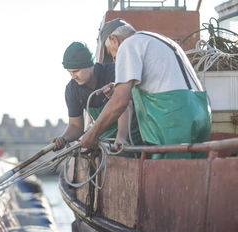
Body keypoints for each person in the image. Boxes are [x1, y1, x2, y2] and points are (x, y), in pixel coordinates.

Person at [80, 19, 211, 159]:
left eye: (112, 54)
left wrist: (91, 135)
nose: (114, 60)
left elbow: (119, 102)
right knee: (196, 175)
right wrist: (120, 88)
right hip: (201, 113)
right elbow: (162, 84)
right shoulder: (158, 40)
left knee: (171, 175)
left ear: (113, 39)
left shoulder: (128, 45)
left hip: (174, 120)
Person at [53, 41, 141, 151]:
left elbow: (123, 103)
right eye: (70, 72)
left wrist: (121, 136)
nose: (73, 76)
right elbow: (76, 126)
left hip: (132, 135)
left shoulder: (113, 72)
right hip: (105, 139)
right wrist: (64, 138)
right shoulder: (72, 89)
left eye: (76, 71)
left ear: (90, 65)